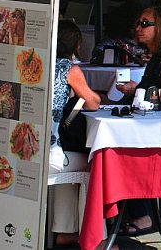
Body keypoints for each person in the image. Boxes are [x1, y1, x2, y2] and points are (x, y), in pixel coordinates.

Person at [48, 20, 107, 248]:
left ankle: (64, 230)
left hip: (25, 152)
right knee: (93, 164)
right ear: (76, 46)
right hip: (51, 157)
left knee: (68, 159)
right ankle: (98, 238)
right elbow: (92, 103)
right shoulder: (68, 69)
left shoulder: (35, 63)